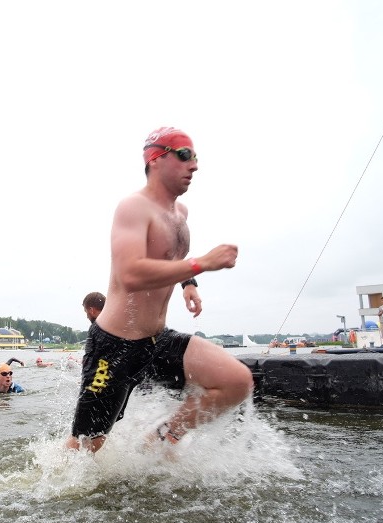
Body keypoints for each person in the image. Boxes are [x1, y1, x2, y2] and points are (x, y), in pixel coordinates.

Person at [65, 126, 253, 453]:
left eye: (195, 157)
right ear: (155, 158)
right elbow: (129, 273)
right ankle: (44, 486)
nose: (193, 165)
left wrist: (188, 283)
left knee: (236, 382)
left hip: (156, 340)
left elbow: (171, 256)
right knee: (85, 449)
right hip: (114, 347)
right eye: (184, 155)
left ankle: (160, 437)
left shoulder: (180, 213)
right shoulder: (133, 208)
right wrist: (201, 264)